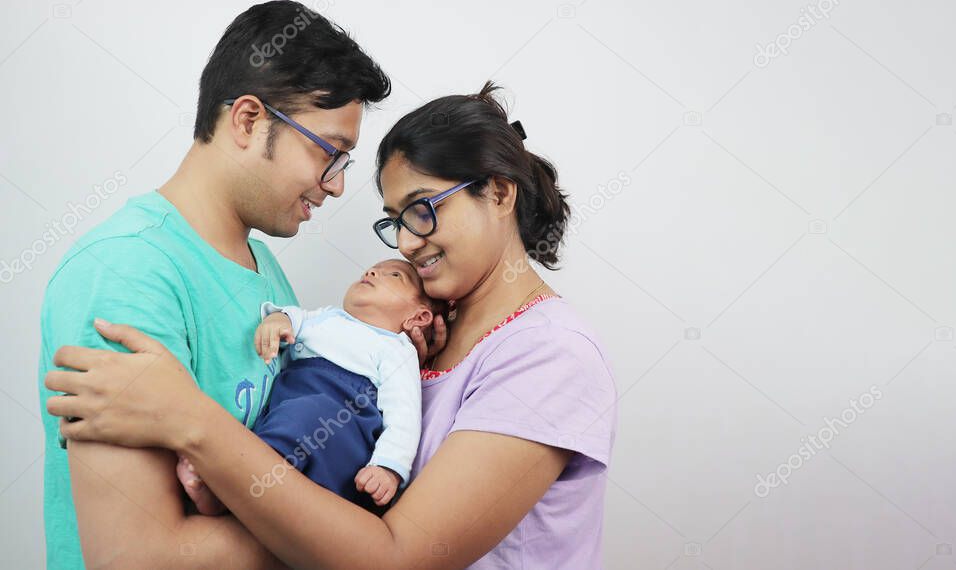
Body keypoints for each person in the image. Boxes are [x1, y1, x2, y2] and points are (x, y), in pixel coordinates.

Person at [46, 83, 618, 569]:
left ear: (497, 192)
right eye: (394, 221)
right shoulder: (418, 338)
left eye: (422, 209)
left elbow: (396, 554)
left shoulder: (552, 356)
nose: (406, 242)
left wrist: (189, 419)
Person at [34, 0, 411, 569]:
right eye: (330, 153)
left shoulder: (264, 267)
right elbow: (136, 559)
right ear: (248, 120)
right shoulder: (126, 272)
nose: (334, 187)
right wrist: (346, 538)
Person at [179, 259, 442, 514]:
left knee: (302, 420)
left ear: (418, 317)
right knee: (260, 436)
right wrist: (279, 321)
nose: (372, 272)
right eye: (374, 269)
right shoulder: (327, 316)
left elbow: (404, 416)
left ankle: (229, 491)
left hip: (344, 420)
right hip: (289, 405)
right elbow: (295, 318)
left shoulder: (397, 349)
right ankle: (227, 498)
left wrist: (389, 467)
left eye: (394, 275)